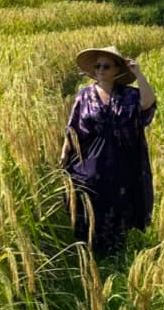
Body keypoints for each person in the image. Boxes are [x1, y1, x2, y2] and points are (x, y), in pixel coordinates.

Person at [60, 45, 156, 255]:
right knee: (89, 204)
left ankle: (115, 255)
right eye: (97, 66)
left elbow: (147, 103)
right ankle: (89, 254)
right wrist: (64, 155)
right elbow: (72, 128)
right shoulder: (83, 95)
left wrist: (138, 73)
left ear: (116, 70)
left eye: (106, 66)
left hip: (121, 163)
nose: (100, 70)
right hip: (89, 163)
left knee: (119, 206)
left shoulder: (128, 95)